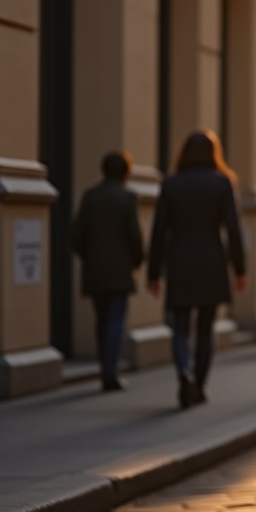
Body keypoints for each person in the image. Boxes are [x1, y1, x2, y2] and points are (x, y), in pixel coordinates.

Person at [147, 131, 246, 409]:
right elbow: (233, 229)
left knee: (179, 326)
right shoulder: (222, 183)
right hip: (211, 261)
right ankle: (199, 385)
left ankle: (183, 374)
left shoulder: (172, 184)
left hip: (178, 260)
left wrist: (153, 272)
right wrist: (239, 268)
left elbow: (160, 230)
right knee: (205, 327)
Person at [71, 151, 144, 392]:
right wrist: (136, 261)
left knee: (101, 321)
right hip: (121, 271)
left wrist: (89, 258)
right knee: (115, 321)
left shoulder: (90, 197)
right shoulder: (128, 198)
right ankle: (110, 372)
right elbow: (135, 236)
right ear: (125, 172)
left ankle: (105, 367)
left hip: (95, 270)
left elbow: (77, 236)